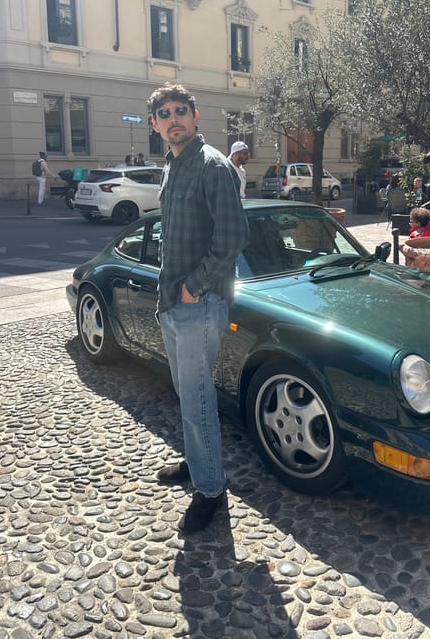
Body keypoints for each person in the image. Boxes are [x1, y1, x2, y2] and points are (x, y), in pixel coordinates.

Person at [149, 83, 249, 534]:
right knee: (186, 393)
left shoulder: (212, 166)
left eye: (181, 111)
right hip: (174, 300)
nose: (174, 118)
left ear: (196, 115)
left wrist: (193, 286)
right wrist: (174, 290)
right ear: (155, 124)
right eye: (164, 113)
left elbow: (232, 238)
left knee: (199, 399)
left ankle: (210, 490)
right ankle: (196, 462)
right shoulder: (172, 165)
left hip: (200, 302)